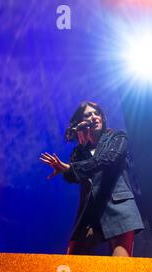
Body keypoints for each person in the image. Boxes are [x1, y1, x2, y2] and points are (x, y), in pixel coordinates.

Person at [40, 101, 143, 257]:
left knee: (120, 270)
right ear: (81, 123)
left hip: (119, 207)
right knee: (71, 266)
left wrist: (70, 168)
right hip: (90, 212)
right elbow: (73, 176)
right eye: (88, 115)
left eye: (97, 113)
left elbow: (107, 160)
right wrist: (64, 170)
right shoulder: (79, 151)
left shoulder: (117, 137)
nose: (94, 117)